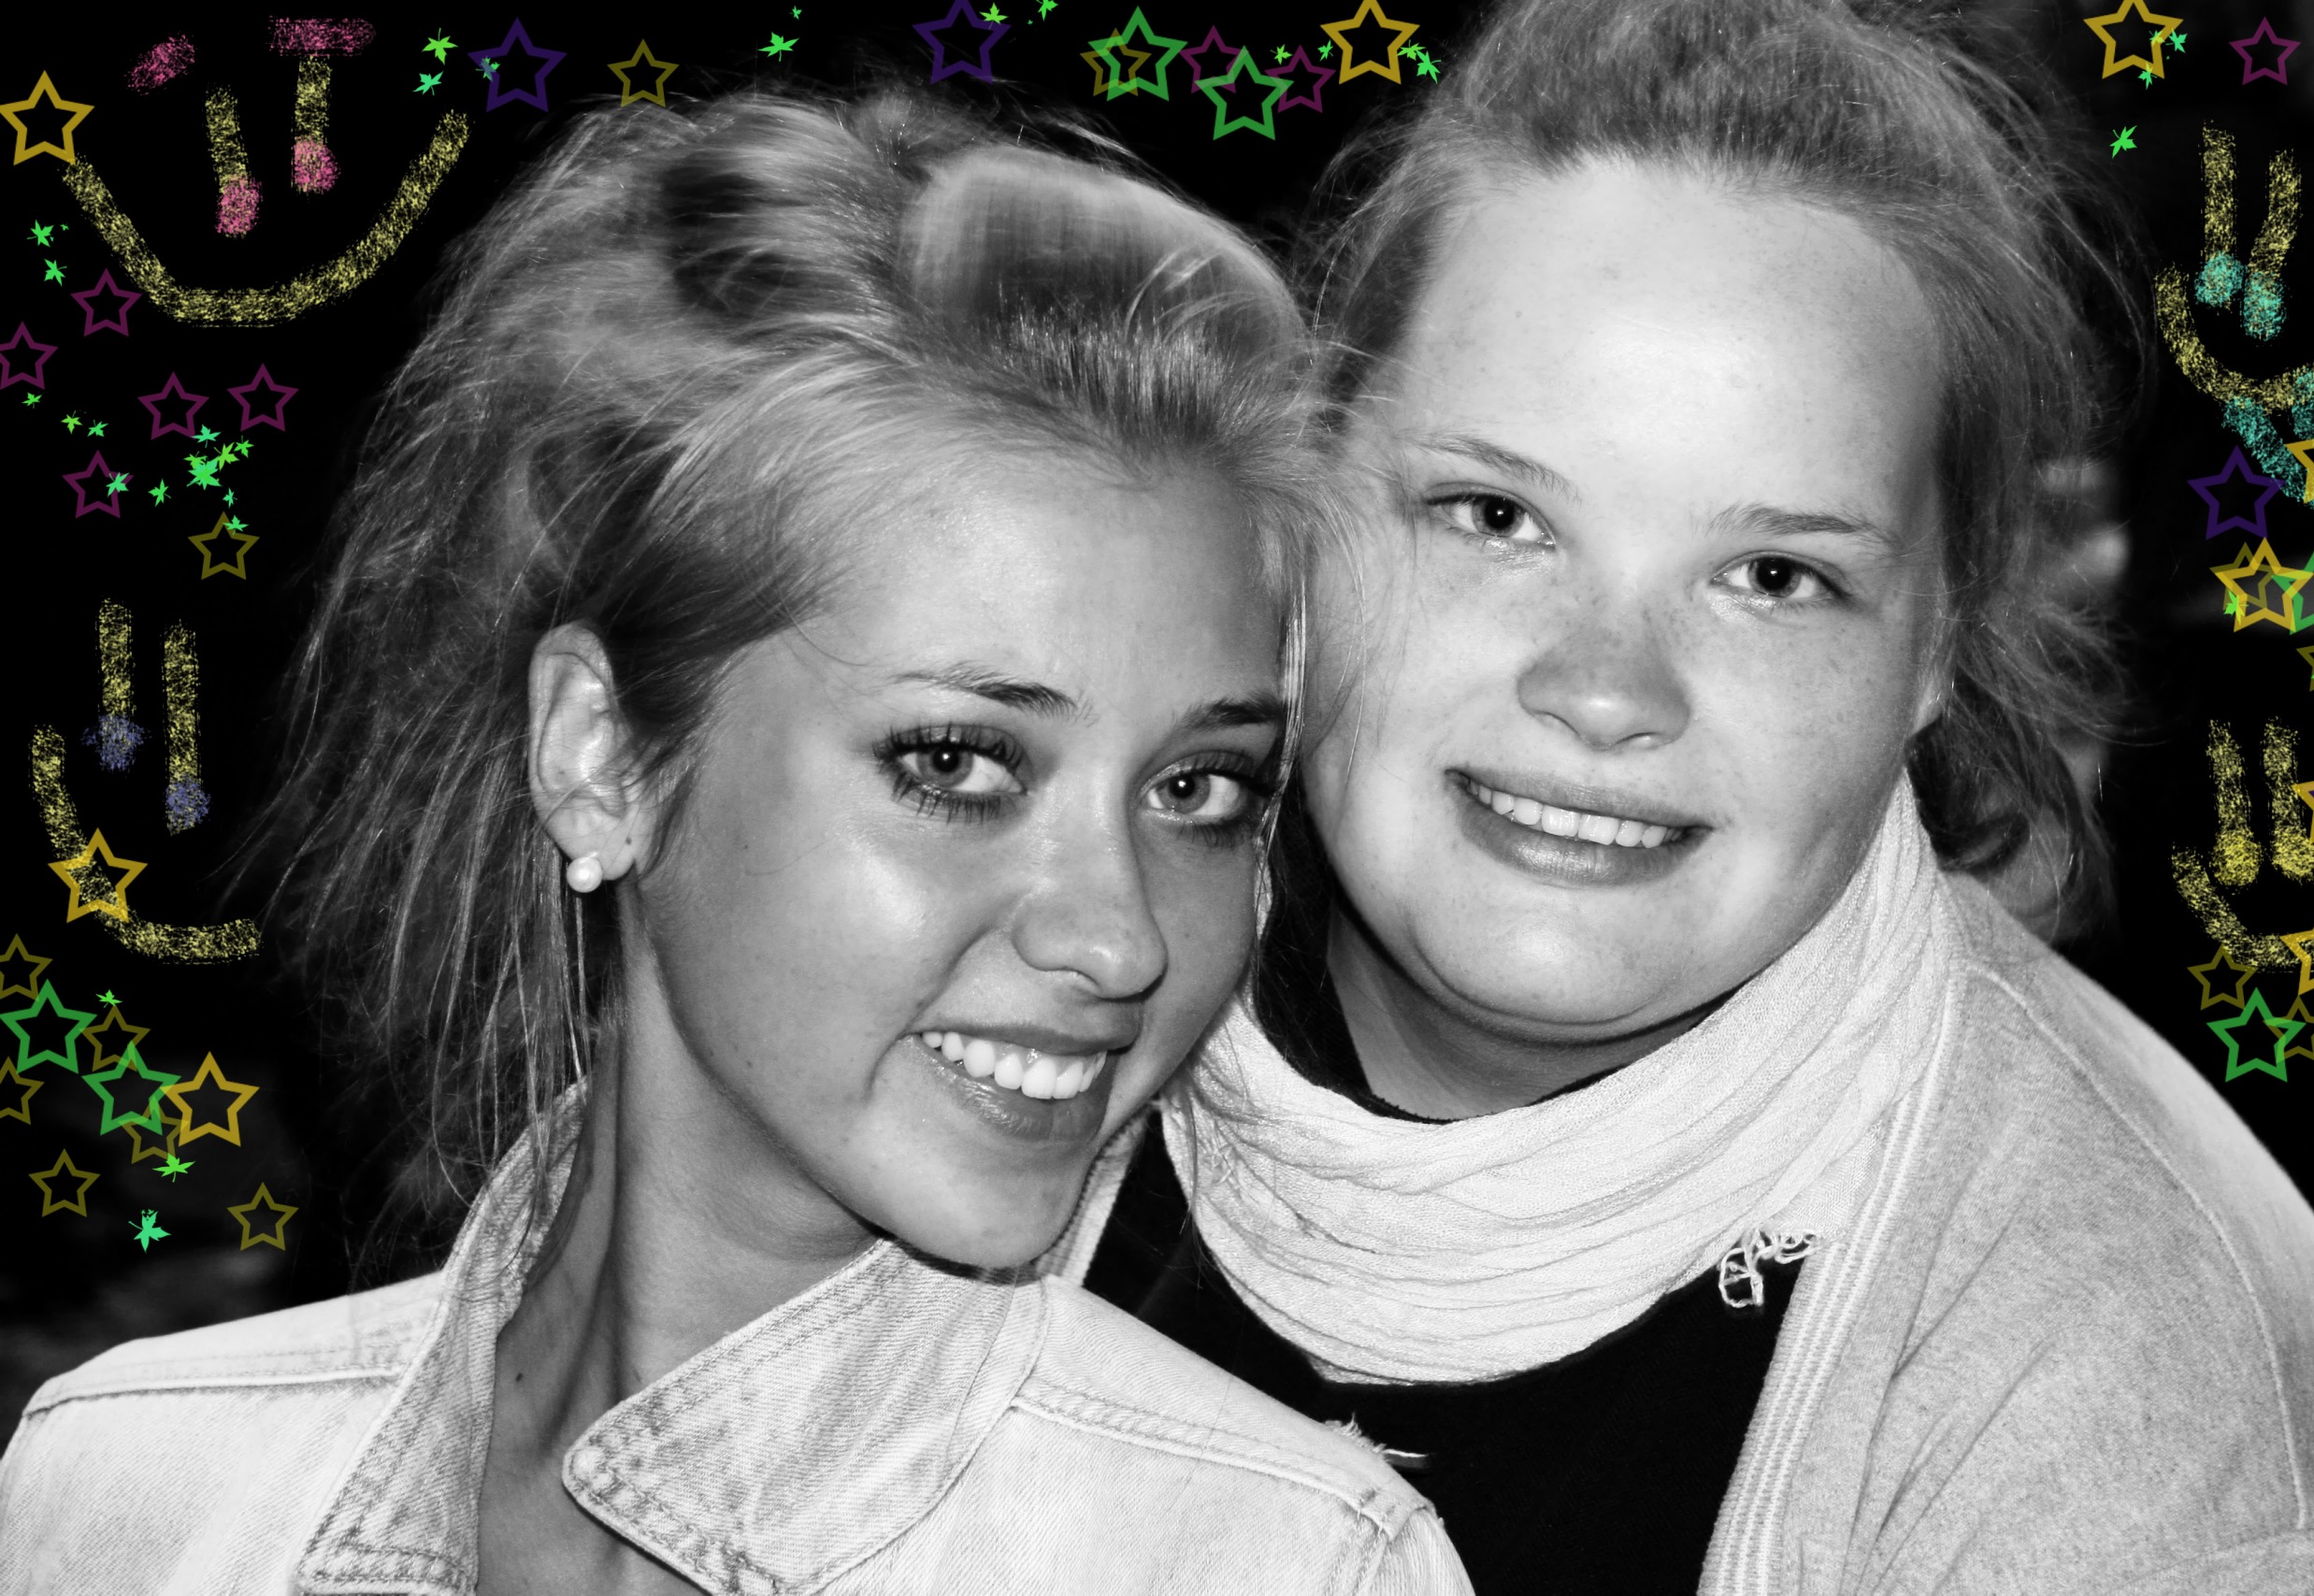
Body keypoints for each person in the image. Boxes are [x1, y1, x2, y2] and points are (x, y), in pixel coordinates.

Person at [0, 90, 1468, 1596]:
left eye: (1200, 789)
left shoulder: (1281, 1562)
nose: (1121, 936)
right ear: (601, 754)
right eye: (958, 763)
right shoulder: (122, 1488)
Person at [1068, 1, 2314, 1590]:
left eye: (1772, 576)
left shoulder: (2144, 1396)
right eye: (1494, 516)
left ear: (1940, 643)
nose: (1604, 687)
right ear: (1303, 494)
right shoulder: (990, 987)